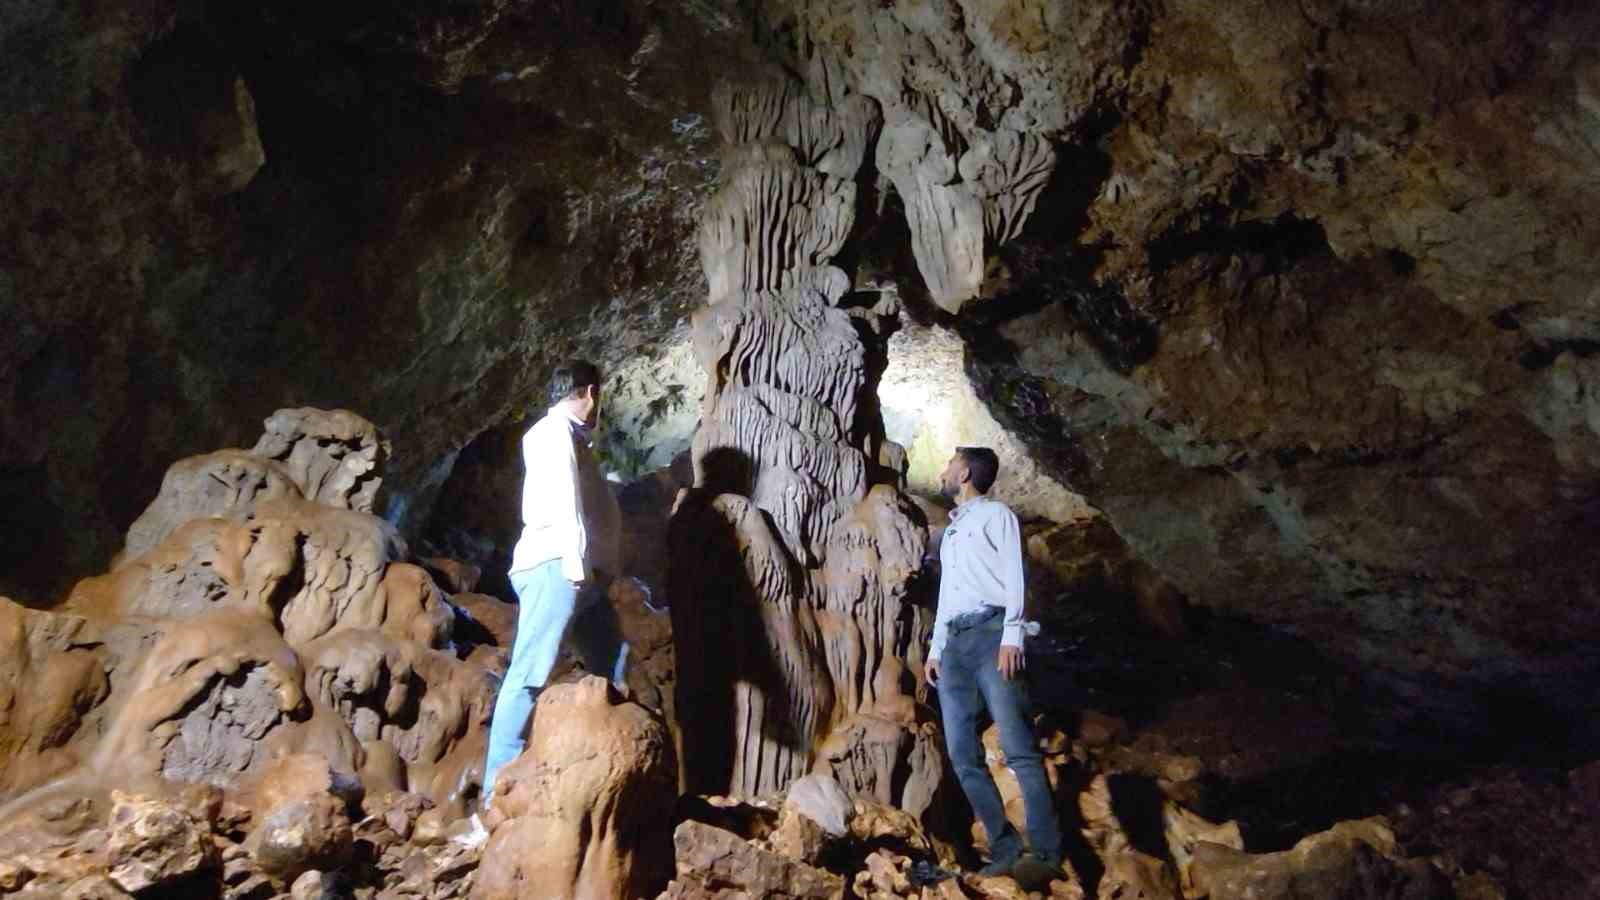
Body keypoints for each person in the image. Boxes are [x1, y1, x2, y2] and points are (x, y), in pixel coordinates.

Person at [462, 361, 630, 841]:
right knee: (531, 673)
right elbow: (560, 501)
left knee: (612, 666)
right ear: (591, 393)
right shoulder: (551, 432)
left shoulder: (576, 440)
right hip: (558, 567)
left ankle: (606, 778)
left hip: (581, 574)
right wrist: (576, 568)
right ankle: (495, 798)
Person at [926, 447, 1063, 885]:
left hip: (991, 635)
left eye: (950, 462)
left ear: (964, 472)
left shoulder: (997, 515)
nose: (944, 469)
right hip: (956, 648)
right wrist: (936, 647)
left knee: (1019, 748)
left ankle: (1044, 852)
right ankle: (1004, 848)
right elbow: (949, 592)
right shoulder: (951, 533)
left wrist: (1013, 633)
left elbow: (1014, 573)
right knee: (963, 754)